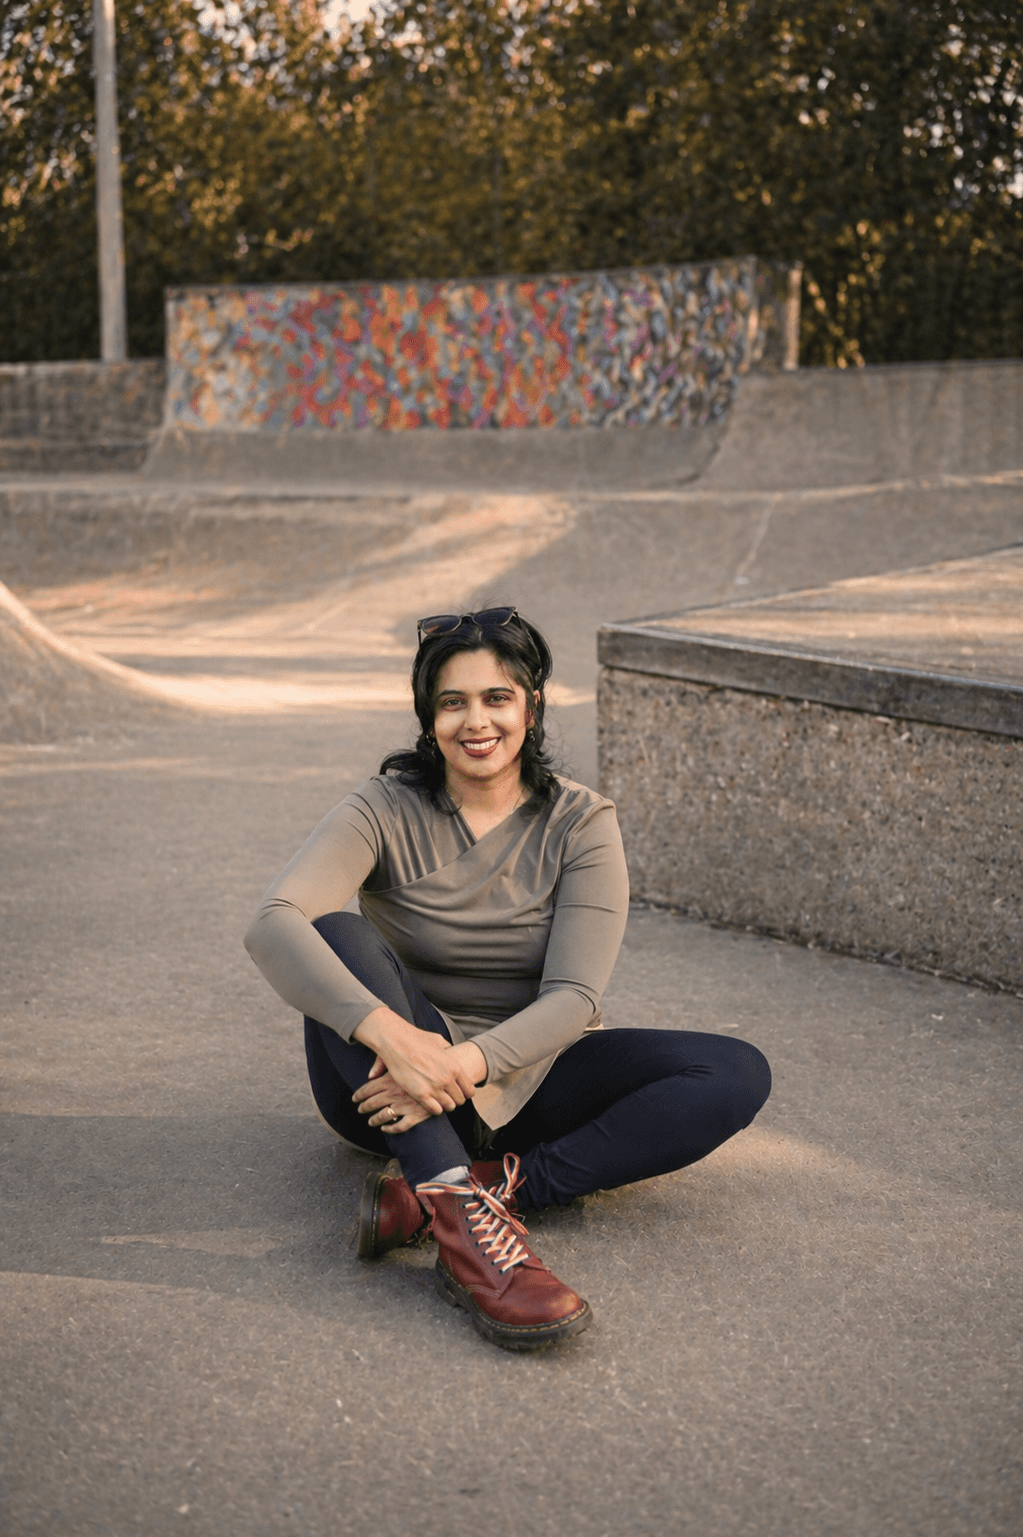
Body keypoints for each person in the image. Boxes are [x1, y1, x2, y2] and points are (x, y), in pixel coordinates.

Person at [244, 606, 771, 1351]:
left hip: (524, 1080)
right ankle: (469, 1238)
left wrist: (460, 1063)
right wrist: (397, 1039)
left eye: (497, 697)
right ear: (428, 718)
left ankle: (482, 1190)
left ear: (531, 704)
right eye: (451, 701)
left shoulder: (580, 821)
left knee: (733, 1072)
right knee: (333, 932)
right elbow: (273, 923)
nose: (476, 721)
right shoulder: (382, 808)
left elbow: (574, 999)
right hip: (385, 1085)